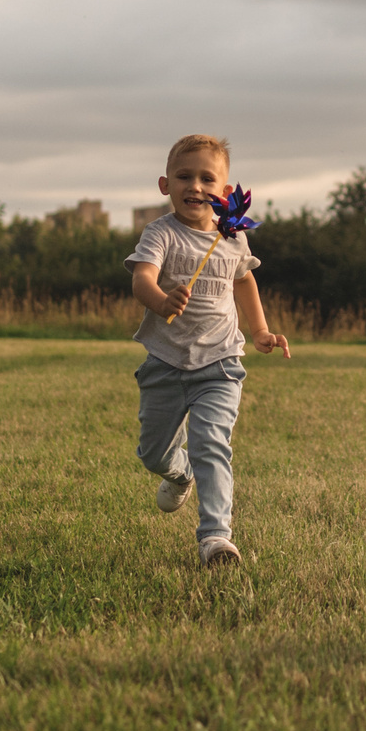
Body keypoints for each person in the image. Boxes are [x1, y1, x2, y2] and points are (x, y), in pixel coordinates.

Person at [126, 134, 290, 567]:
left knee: (211, 443)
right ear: (165, 185)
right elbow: (141, 279)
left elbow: (244, 281)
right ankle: (180, 473)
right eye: (184, 176)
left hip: (220, 362)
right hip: (165, 362)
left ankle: (216, 538)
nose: (195, 186)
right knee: (152, 453)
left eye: (206, 178)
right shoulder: (160, 233)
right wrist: (160, 301)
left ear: (224, 191)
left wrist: (260, 330)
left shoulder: (233, 237)